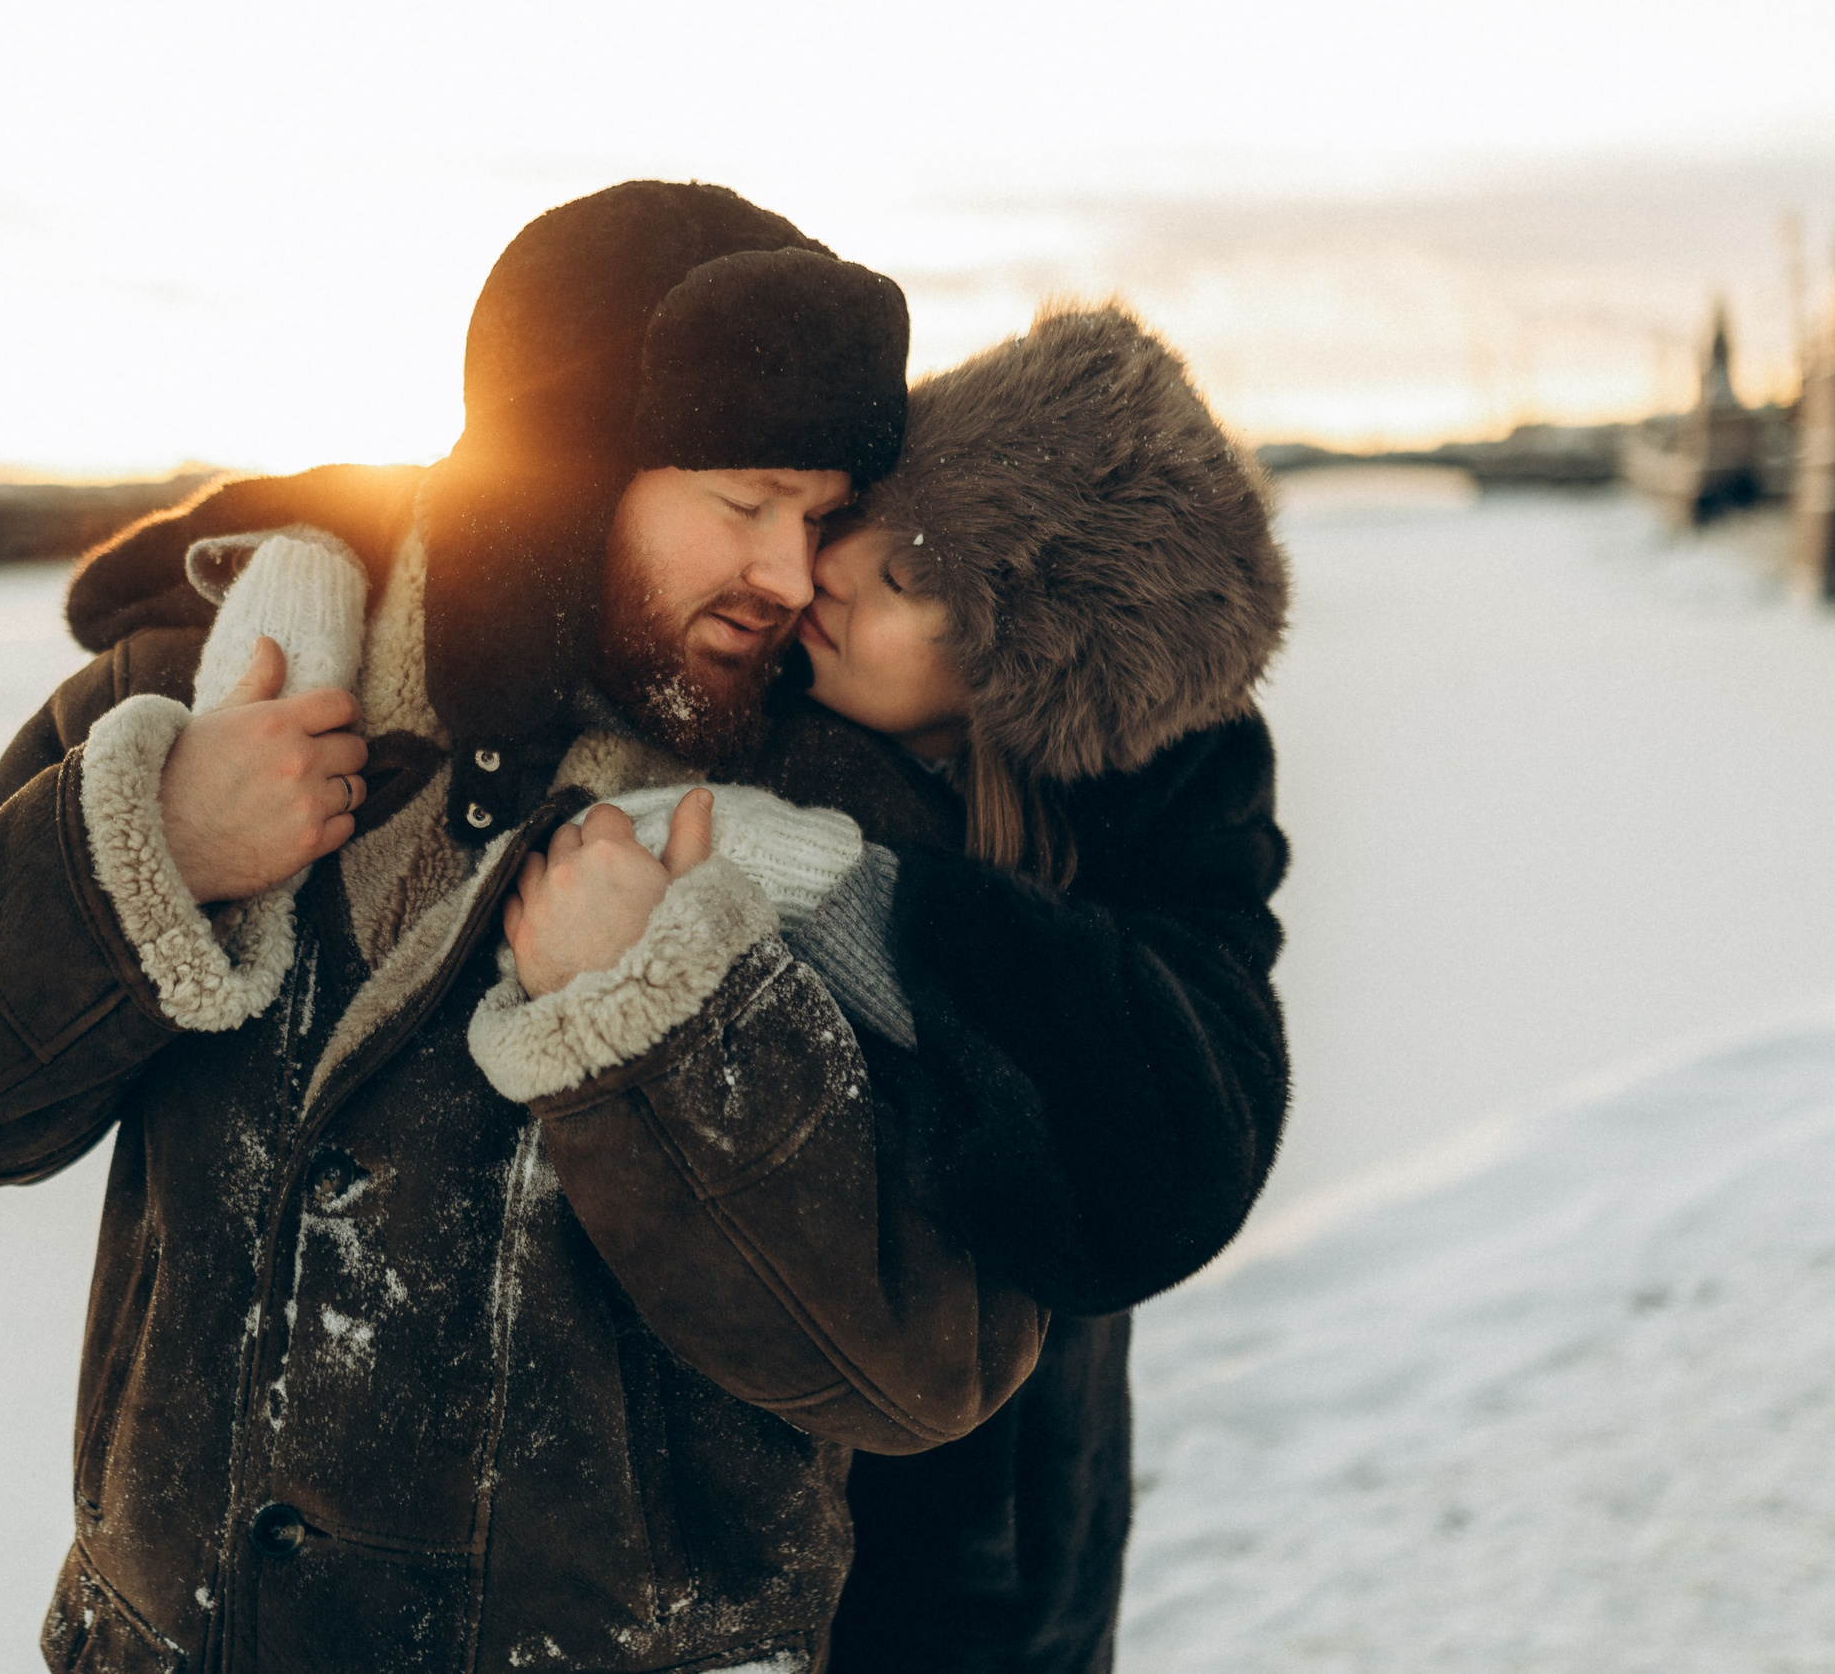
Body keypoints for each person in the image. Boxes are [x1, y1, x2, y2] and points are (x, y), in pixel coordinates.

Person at [0, 180, 1059, 1674]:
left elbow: (933, 1365)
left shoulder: (825, 827)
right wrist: (157, 843)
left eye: (824, 520)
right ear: (574, 478)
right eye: (742, 506)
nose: (792, 579)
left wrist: (665, 1030)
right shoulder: (209, 690)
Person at [168, 304, 1294, 1671]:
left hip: (965, 1561)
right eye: (879, 515)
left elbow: (1175, 1160)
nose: (837, 570)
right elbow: (509, 503)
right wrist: (312, 556)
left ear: (1031, 663)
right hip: (704, 1545)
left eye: (927, 572)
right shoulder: (771, 669)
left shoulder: (1151, 793)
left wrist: (834, 890)